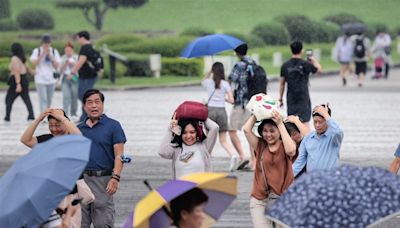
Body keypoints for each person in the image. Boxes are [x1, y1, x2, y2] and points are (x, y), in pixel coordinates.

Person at [19, 108, 82, 228]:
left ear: (65, 122)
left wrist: (62, 118)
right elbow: (25, 139)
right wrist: (39, 119)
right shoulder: (46, 140)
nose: (54, 129)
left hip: (70, 195)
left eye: (57, 125)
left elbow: (80, 138)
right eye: (51, 125)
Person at [77, 89, 126, 228]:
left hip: (103, 180)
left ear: (102, 105)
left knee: (103, 223)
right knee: (80, 223)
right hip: (81, 180)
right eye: (90, 102)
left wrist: (115, 177)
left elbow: (119, 155)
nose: (94, 106)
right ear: (84, 106)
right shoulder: (78, 129)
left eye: (97, 102)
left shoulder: (113, 126)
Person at [243, 109, 296, 228]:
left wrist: (280, 123)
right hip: (260, 199)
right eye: (265, 131)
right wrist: (257, 111)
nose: (268, 134)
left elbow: (292, 150)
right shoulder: (260, 145)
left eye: (272, 131)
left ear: (279, 131)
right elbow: (246, 130)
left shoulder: (285, 145)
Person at [202, 62, 241, 172]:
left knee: (209, 138)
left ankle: (206, 161)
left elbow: (203, 80)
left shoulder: (208, 82)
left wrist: (210, 71)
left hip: (210, 111)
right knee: (223, 140)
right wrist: (223, 99)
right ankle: (233, 155)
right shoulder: (225, 84)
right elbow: (232, 100)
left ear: (213, 71)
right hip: (222, 112)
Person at [158, 113, 219, 179]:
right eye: (184, 133)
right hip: (181, 188)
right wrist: (171, 128)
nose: (188, 136)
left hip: (200, 188)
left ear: (197, 132)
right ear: (180, 133)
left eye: (192, 132)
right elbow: (162, 152)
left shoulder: (204, 147)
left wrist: (201, 115)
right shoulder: (177, 149)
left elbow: (215, 127)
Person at [292, 104, 344, 177]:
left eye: (320, 122)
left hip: (331, 180)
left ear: (327, 121)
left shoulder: (334, 137)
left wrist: (326, 115)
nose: (317, 125)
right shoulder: (307, 138)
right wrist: (286, 180)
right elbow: (298, 163)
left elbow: (338, 132)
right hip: (312, 180)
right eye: (315, 122)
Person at [279, 40, 321, 127]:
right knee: (305, 121)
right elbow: (319, 70)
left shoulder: (285, 65)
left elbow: (282, 84)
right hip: (303, 96)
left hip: (291, 97)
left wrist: (280, 99)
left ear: (291, 50)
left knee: (291, 121)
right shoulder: (305, 64)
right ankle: (307, 139)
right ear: (301, 50)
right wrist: (313, 60)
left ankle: (292, 140)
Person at [228, 43, 255, 170]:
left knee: (232, 130)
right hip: (252, 103)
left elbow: (231, 80)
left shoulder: (238, 65)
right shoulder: (253, 63)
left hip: (240, 102)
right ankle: (253, 161)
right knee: (249, 131)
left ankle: (242, 156)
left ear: (237, 53)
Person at [71, 31, 99, 122]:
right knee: (85, 96)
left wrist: (72, 71)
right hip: (90, 76)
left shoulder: (85, 48)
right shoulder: (91, 47)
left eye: (78, 38)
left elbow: (81, 61)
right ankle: (85, 115)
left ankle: (87, 115)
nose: (78, 40)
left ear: (82, 38)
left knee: (83, 96)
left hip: (86, 77)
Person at [30, 34, 61, 113]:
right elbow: (34, 63)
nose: (46, 45)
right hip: (40, 78)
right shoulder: (37, 51)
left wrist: (50, 56)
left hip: (51, 79)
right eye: (45, 43)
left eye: (48, 43)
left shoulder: (54, 51)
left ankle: (47, 114)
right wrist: (43, 54)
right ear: (42, 43)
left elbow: (57, 65)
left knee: (49, 99)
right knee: (43, 98)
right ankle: (43, 116)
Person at [4, 42, 35, 122]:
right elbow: (28, 69)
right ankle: (31, 115)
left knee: (9, 99)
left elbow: (16, 71)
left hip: (17, 81)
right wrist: (33, 72)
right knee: (26, 99)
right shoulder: (22, 58)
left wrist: (18, 84)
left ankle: (7, 117)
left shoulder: (14, 58)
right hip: (24, 80)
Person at [59, 42, 79, 121]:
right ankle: (65, 113)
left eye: (69, 50)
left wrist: (73, 64)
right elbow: (60, 70)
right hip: (65, 78)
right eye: (66, 51)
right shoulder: (62, 58)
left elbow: (78, 67)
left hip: (74, 78)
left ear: (72, 50)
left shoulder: (76, 57)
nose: (68, 52)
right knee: (66, 96)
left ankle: (73, 113)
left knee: (74, 96)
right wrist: (65, 64)